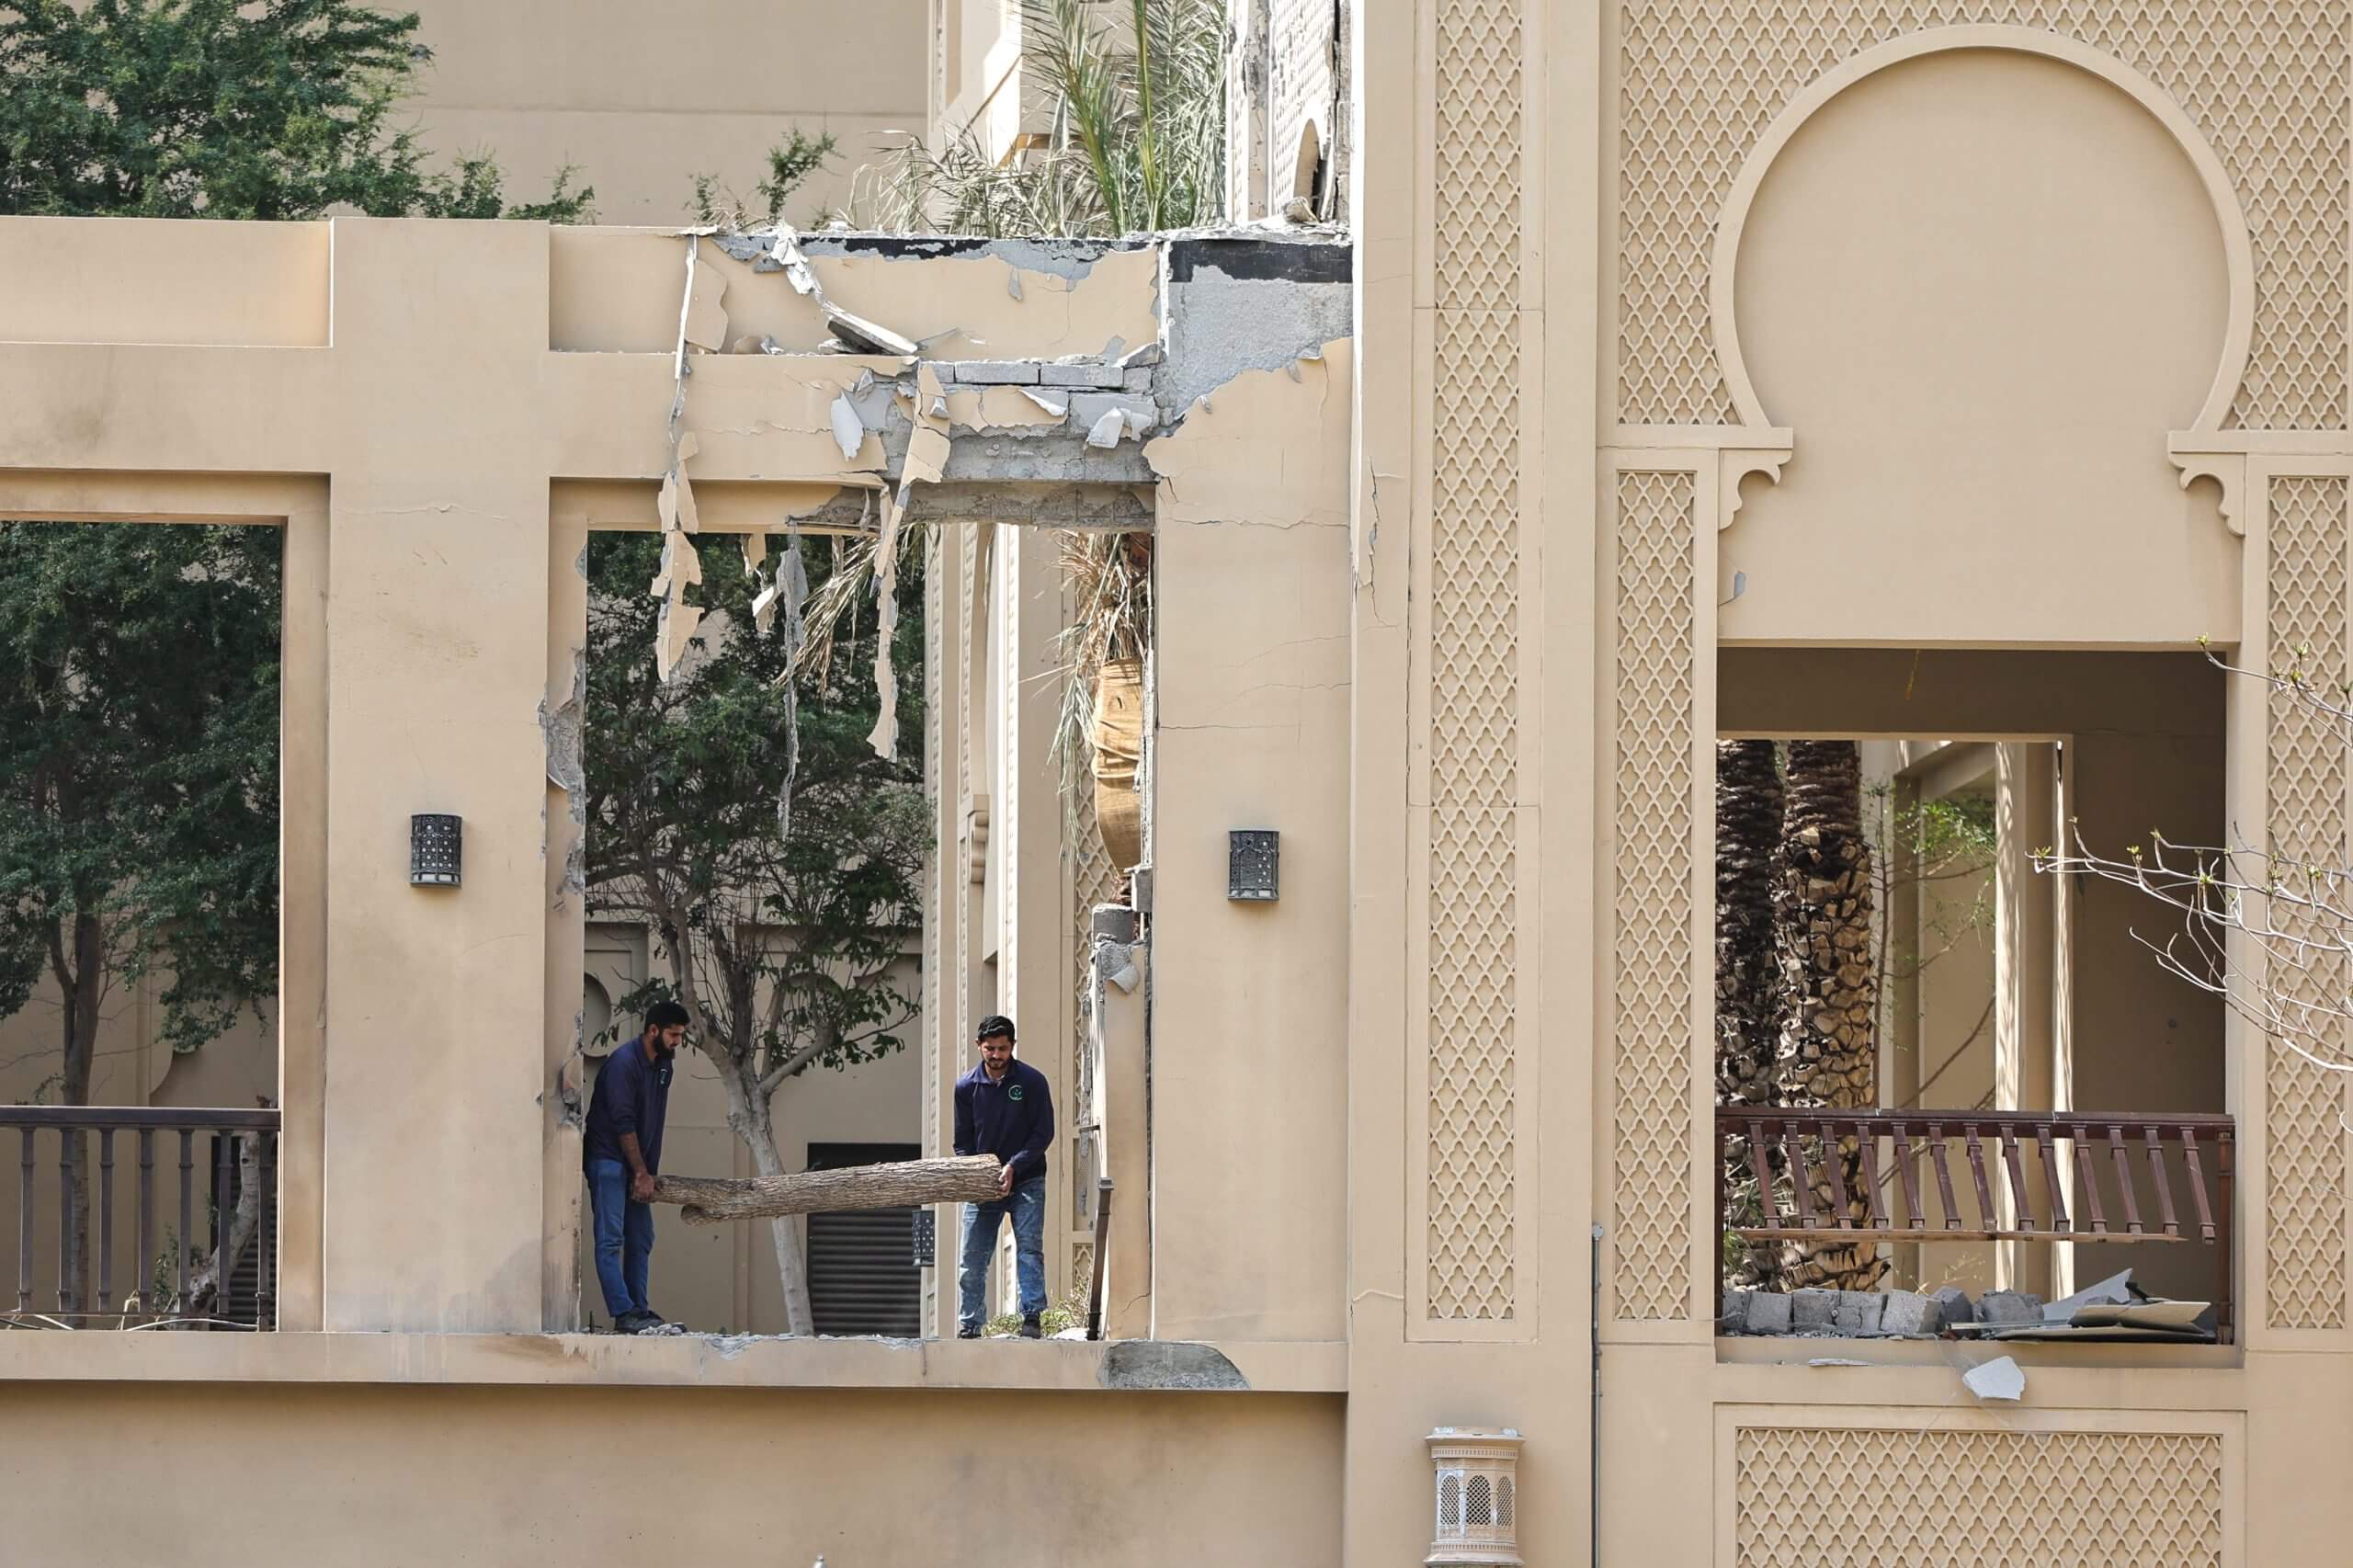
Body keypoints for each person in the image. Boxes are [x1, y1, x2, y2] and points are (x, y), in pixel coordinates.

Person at [584, 1000, 686, 1333]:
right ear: (653, 1030)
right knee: (611, 1239)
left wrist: (646, 1173)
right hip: (609, 1160)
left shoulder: (664, 1068)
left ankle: (639, 1310)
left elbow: (653, 1123)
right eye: (673, 1034)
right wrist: (640, 1172)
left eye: (680, 1035)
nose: (676, 1042)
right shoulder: (622, 1064)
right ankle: (623, 1311)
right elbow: (623, 1122)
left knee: (641, 1237)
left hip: (639, 1167)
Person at [952, 1014, 1054, 1338]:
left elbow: (1043, 1133)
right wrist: (978, 1173)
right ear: (978, 1046)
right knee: (972, 1256)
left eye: (1002, 1049)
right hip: (984, 1182)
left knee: (1029, 1248)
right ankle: (970, 1324)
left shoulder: (1032, 1082)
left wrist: (1014, 1166)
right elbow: (962, 1141)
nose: (996, 1056)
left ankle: (1032, 1317)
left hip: (1027, 1177)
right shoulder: (966, 1087)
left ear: (1012, 1047)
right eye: (990, 1049)